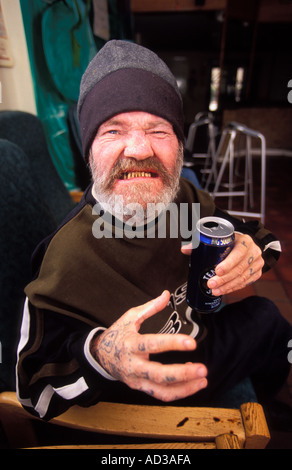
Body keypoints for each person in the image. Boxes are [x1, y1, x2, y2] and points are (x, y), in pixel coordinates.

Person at [16, 40, 292, 421]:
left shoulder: (186, 200)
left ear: (178, 146)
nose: (139, 148)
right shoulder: (66, 259)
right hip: (137, 393)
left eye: (158, 130)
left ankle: (271, 404)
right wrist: (102, 355)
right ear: (89, 151)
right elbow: (33, 392)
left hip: (201, 344)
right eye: (113, 130)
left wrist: (250, 248)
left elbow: (263, 238)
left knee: (268, 317)